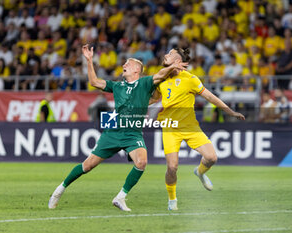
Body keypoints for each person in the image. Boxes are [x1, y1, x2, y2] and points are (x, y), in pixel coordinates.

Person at [48, 44, 187, 211]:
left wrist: (172, 66)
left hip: (133, 134)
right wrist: (89, 60)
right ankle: (59, 190)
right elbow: (93, 82)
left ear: (137, 69)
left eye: (128, 63)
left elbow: (160, 75)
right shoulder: (117, 86)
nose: (124, 65)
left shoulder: (144, 83)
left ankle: (121, 197)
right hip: (113, 131)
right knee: (88, 165)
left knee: (142, 162)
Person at [149, 48, 245, 211]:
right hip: (170, 127)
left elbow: (210, 97)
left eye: (170, 54)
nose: (165, 55)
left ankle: (200, 172)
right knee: (172, 167)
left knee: (212, 158)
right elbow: (153, 99)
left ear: (178, 62)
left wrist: (230, 111)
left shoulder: (190, 79)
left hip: (190, 126)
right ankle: (172, 199)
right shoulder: (161, 78)